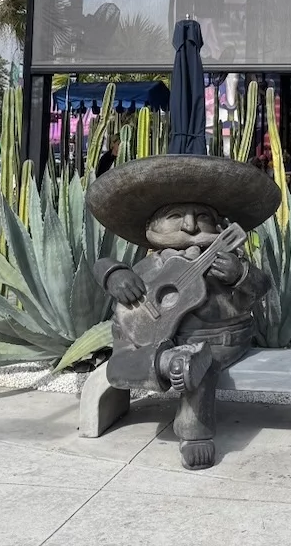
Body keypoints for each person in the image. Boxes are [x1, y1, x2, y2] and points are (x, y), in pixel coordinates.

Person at [88, 155, 279, 470]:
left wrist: (241, 274)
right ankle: (167, 361)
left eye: (201, 216)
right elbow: (99, 265)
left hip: (216, 343)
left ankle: (195, 432)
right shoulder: (153, 263)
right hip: (146, 338)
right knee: (119, 364)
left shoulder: (224, 261)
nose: (189, 225)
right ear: (151, 226)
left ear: (219, 226)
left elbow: (262, 288)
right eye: (175, 216)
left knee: (201, 366)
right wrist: (113, 273)